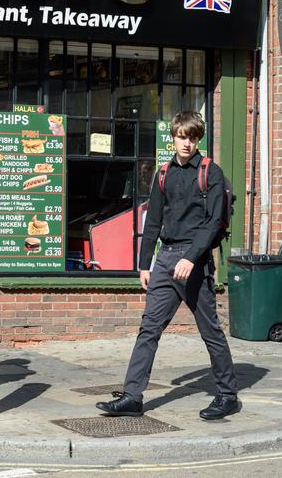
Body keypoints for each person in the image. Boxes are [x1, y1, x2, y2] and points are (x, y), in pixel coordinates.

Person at [97, 111, 239, 421]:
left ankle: (228, 396)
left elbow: (214, 222)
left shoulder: (210, 173)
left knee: (210, 330)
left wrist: (191, 257)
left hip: (195, 260)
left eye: (191, 137)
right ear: (173, 137)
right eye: (181, 137)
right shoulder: (163, 174)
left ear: (198, 139)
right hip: (165, 259)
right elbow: (154, 221)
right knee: (148, 329)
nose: (186, 143)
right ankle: (133, 396)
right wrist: (145, 264)